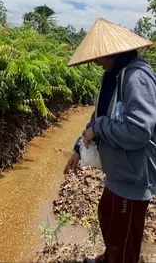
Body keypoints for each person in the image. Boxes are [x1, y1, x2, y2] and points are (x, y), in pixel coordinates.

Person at [64, 18, 156, 263]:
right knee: (107, 215)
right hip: (118, 171)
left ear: (115, 53)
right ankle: (108, 258)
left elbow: (138, 130)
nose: (97, 62)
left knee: (124, 237)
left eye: (100, 57)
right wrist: (77, 148)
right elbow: (98, 116)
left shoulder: (136, 78)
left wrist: (99, 127)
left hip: (133, 173)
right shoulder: (115, 76)